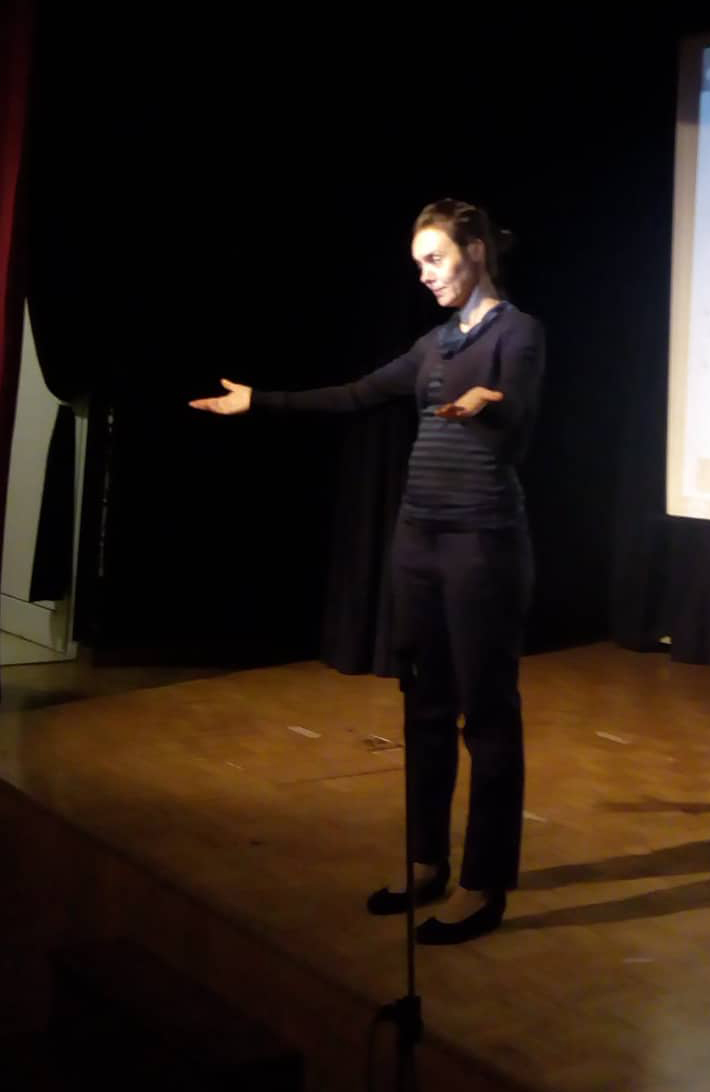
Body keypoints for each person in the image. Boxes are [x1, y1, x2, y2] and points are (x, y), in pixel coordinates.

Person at [189, 199, 544, 944]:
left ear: (476, 251)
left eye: (435, 259)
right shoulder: (434, 343)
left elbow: (517, 417)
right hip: (417, 539)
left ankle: (483, 884)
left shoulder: (518, 332)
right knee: (424, 706)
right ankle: (426, 861)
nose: (425, 275)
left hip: (483, 543)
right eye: (418, 264)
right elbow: (357, 394)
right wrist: (260, 402)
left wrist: (488, 404)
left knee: (486, 713)